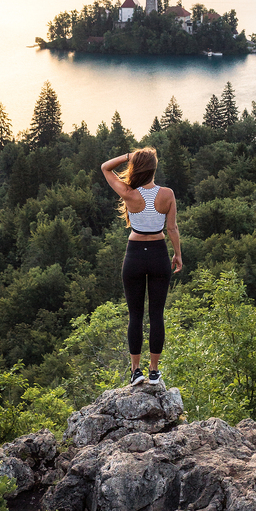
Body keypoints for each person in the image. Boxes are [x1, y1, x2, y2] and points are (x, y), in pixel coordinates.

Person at [101, 146, 182, 387]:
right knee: (157, 314)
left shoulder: (128, 192)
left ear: (137, 167)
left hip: (134, 255)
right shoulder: (167, 194)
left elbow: (105, 167)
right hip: (158, 255)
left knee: (135, 315)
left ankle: (136, 372)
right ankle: (154, 371)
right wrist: (177, 254)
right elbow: (172, 228)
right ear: (154, 169)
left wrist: (128, 156)